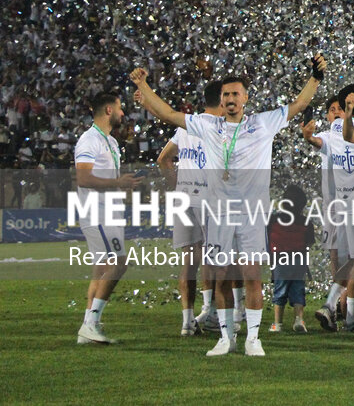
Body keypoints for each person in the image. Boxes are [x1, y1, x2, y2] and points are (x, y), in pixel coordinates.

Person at [130, 54, 326, 357]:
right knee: (220, 277)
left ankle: (253, 339)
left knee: (251, 276)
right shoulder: (208, 125)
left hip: (250, 216)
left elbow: (299, 105)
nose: (231, 98)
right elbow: (168, 114)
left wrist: (315, 77)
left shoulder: (262, 123)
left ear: (245, 98)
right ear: (221, 101)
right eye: (226, 95)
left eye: (235, 93)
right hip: (218, 214)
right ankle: (225, 338)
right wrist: (144, 85)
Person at [303, 82, 354, 334]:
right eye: (333, 110)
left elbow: (328, 135)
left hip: (342, 205)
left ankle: (347, 313)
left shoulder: (335, 133)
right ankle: (342, 312)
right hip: (347, 208)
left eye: (341, 108)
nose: (337, 113)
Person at [73, 91, 140, 345]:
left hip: (108, 211)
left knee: (101, 271)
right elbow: (83, 178)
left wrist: (122, 186)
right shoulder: (89, 140)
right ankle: (91, 323)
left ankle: (88, 328)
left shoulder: (110, 142)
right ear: (109, 110)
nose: (123, 113)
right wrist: (116, 182)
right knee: (119, 262)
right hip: (96, 211)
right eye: (120, 108)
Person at [156, 79, 220, 335]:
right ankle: (210, 311)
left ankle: (187, 321)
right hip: (208, 198)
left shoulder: (186, 127)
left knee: (188, 261)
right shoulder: (219, 127)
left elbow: (163, 160)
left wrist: (177, 187)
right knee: (212, 256)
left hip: (184, 198)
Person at [267, 183, 314, 333]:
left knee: (279, 291)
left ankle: (277, 323)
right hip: (299, 260)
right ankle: (299, 320)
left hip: (280, 260)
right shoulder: (306, 222)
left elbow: (268, 239)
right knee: (298, 291)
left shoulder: (274, 220)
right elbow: (309, 243)